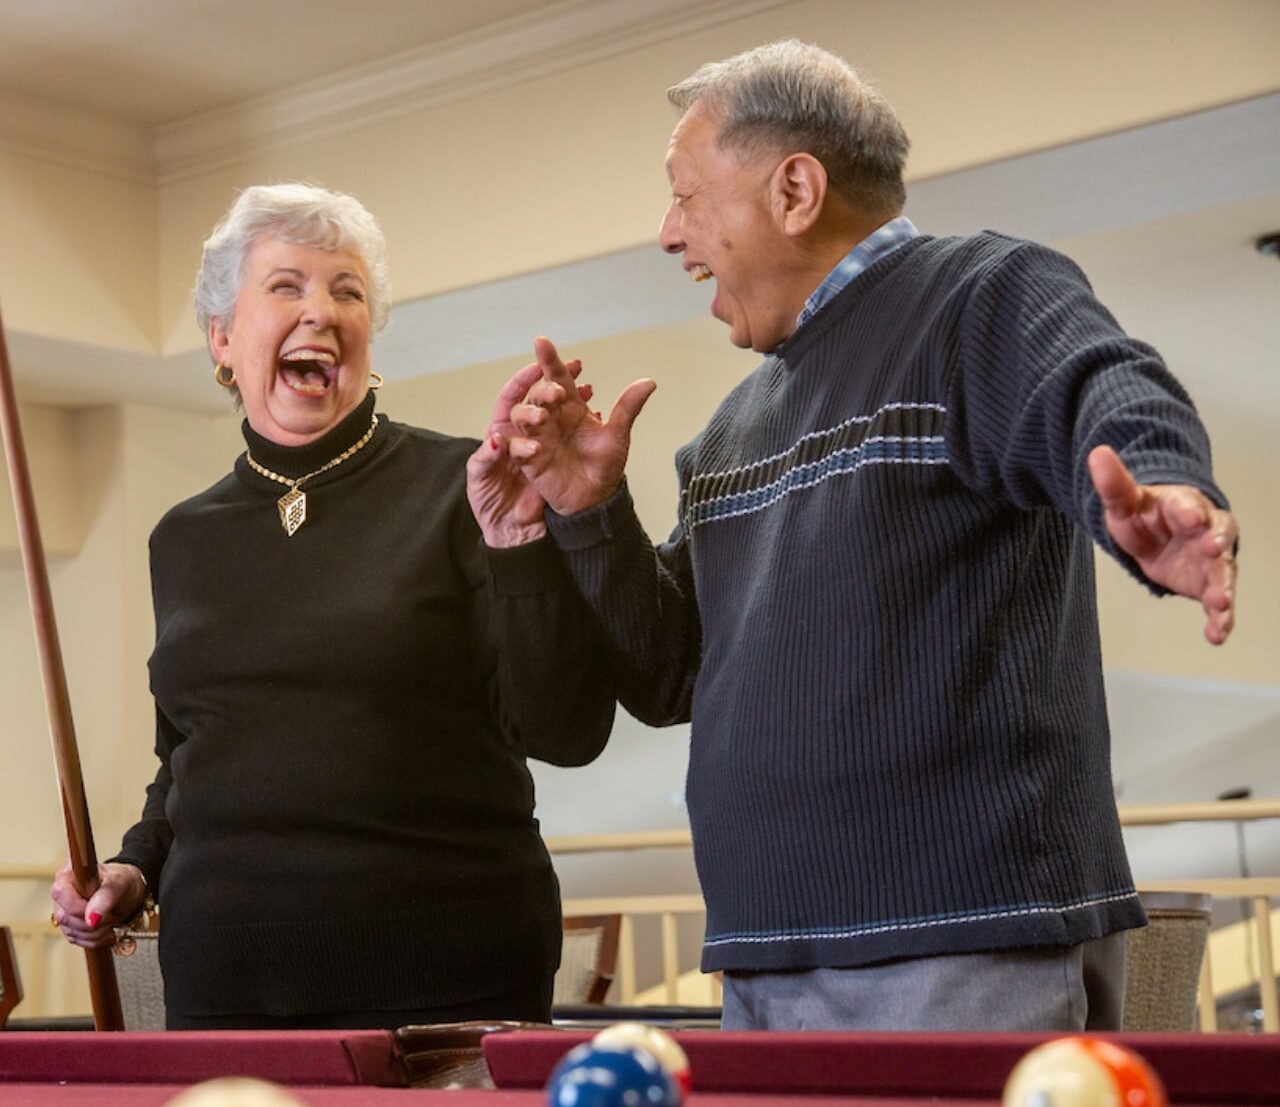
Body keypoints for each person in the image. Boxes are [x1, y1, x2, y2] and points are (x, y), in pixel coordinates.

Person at [469, 41, 1239, 1031]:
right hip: (764, 957)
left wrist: (1166, 483)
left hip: (966, 943)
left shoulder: (978, 296)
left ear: (793, 190)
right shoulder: (728, 433)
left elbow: (1102, 387)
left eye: (686, 196)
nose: (668, 234)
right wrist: (586, 510)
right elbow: (667, 676)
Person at [50, 182, 616, 1029]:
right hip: (224, 989)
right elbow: (190, 759)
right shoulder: (183, 538)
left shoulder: (471, 487)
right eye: (286, 286)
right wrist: (136, 865)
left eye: (346, 291)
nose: (321, 310)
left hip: (445, 988)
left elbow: (569, 731)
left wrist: (522, 549)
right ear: (223, 337)